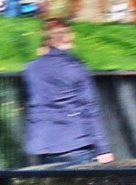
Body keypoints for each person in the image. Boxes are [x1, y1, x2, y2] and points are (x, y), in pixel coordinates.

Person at [22, 18, 114, 166]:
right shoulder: (74, 67)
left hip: (44, 145)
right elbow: (90, 108)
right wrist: (103, 149)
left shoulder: (31, 68)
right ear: (70, 36)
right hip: (76, 142)